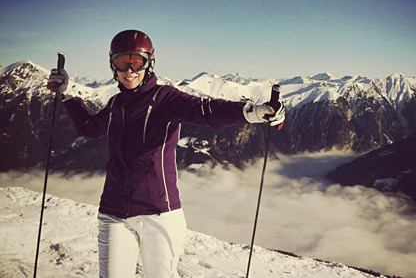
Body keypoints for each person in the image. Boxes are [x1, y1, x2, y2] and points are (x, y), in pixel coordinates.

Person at [47, 29, 285, 278]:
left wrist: (255, 113)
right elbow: (87, 128)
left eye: (136, 61)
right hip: (113, 214)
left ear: (149, 63)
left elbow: (207, 111)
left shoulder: (166, 99)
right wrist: (67, 94)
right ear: (112, 66)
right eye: (121, 62)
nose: (129, 70)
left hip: (160, 215)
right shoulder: (115, 105)